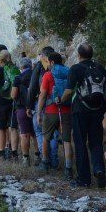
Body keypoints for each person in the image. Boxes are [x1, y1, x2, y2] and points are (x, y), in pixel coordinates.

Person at [63, 43, 106, 188]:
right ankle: (98, 169)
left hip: (80, 110)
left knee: (80, 143)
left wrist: (61, 100)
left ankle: (84, 179)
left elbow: (68, 91)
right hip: (97, 110)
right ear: (92, 54)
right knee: (96, 142)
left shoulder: (76, 68)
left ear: (78, 55)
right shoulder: (100, 68)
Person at [37, 51, 74, 179]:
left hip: (51, 110)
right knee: (67, 140)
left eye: (48, 61)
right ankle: (68, 169)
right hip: (66, 110)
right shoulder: (69, 73)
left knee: (46, 137)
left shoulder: (48, 75)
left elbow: (42, 95)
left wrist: (38, 112)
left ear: (52, 62)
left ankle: (45, 163)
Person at [0, 49, 18, 158]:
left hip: (1, 102)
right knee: (13, 127)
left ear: (0, 59)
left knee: (0, 128)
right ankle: (14, 152)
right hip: (14, 101)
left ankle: (2, 153)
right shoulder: (15, 69)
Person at [14, 57, 36, 165]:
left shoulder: (18, 78)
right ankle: (38, 156)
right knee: (35, 133)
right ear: (30, 65)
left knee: (24, 134)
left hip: (22, 108)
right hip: (35, 107)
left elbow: (13, 95)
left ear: (21, 67)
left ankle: (26, 159)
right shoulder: (35, 75)